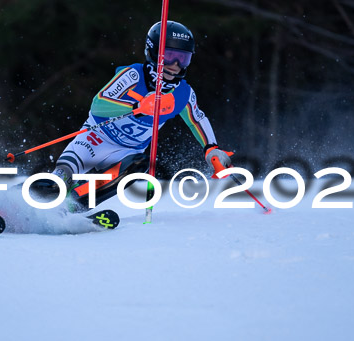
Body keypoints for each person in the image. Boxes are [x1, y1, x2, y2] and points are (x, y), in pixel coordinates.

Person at [39, 20, 233, 211]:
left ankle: (75, 204)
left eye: (183, 58)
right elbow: (98, 104)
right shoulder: (132, 75)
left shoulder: (182, 93)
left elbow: (197, 119)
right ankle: (28, 198)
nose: (175, 65)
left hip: (127, 151)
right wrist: (138, 106)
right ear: (153, 52)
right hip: (95, 138)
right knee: (61, 178)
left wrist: (211, 149)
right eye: (169, 56)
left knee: (140, 165)